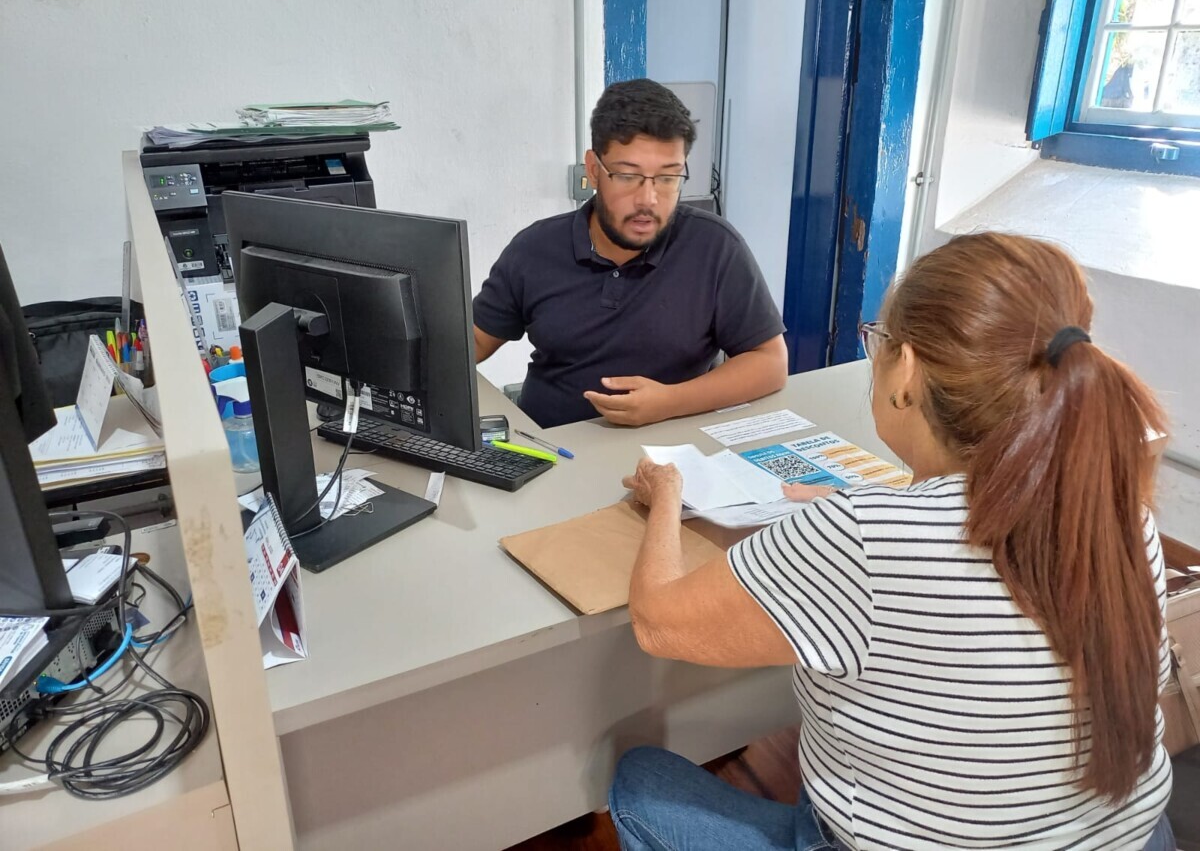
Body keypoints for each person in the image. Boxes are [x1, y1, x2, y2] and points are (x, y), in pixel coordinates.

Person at [609, 233, 1176, 850]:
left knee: (638, 783)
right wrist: (869, 516)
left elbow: (657, 622)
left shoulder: (863, 538)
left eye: (876, 341)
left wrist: (669, 492)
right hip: (1133, 837)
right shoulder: (1119, 513)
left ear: (904, 369)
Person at [472, 79, 787, 429]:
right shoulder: (534, 249)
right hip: (551, 447)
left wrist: (670, 401)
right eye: (627, 175)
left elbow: (770, 362)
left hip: (673, 447)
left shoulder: (715, 247)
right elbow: (474, 340)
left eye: (668, 177)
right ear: (593, 170)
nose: (648, 200)